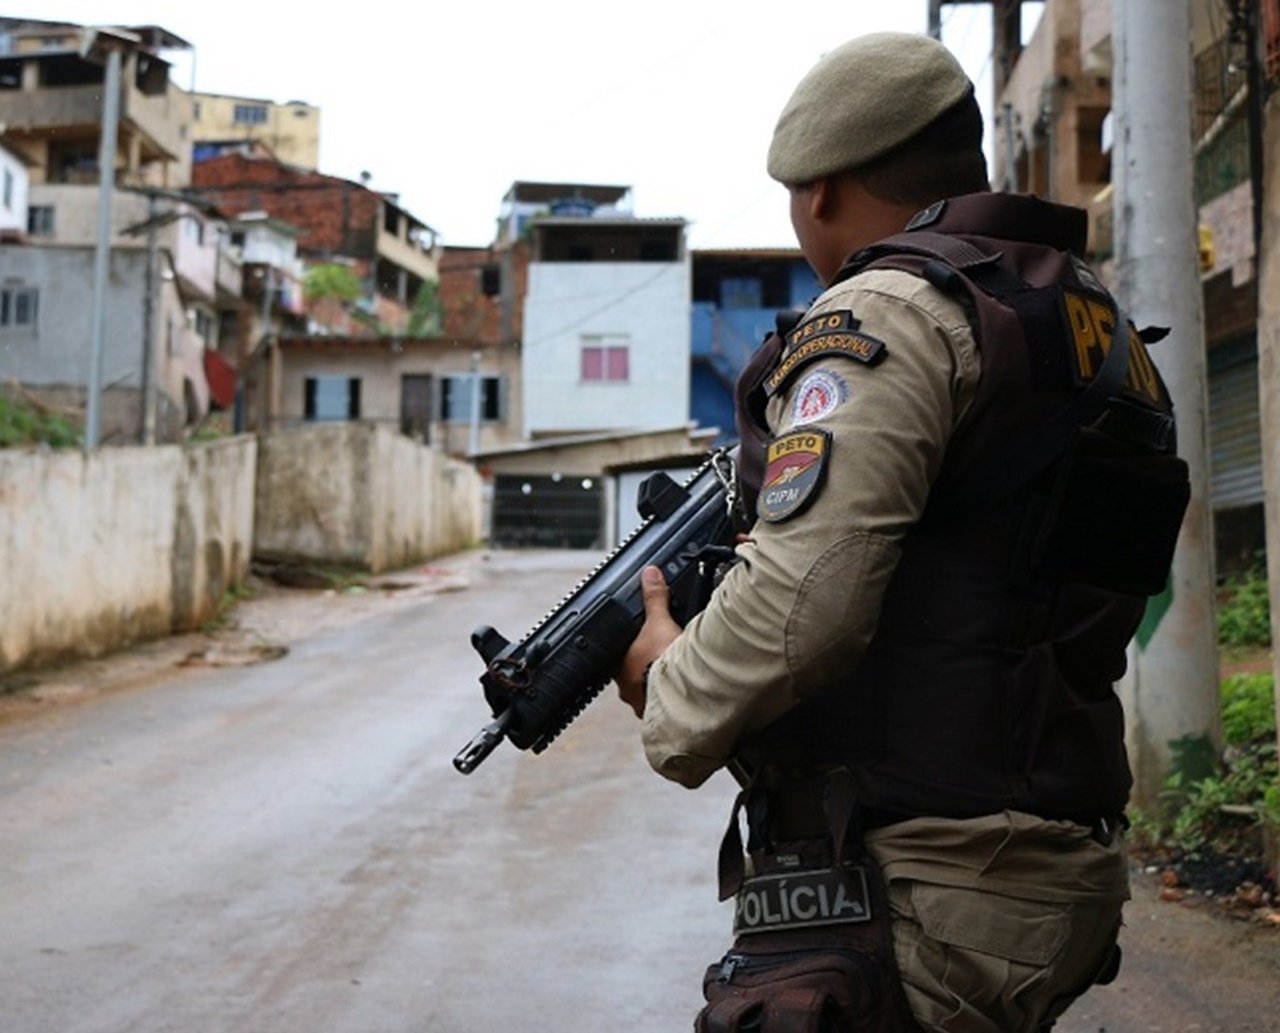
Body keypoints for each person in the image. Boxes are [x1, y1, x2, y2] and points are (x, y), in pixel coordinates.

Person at [615, 31, 1188, 1033]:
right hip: (1039, 858)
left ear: (819, 189)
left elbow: (806, 606)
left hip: (931, 884)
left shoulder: (888, 311)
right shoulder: (1087, 320)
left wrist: (668, 681)